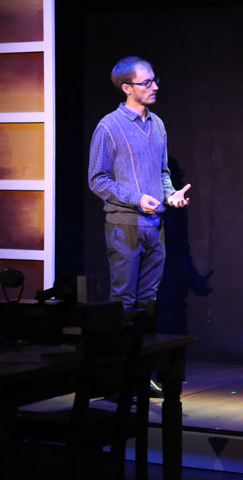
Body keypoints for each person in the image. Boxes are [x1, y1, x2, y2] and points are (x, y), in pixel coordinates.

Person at [89, 56, 191, 395]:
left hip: (155, 225)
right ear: (127, 87)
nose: (155, 86)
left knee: (148, 301)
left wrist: (170, 195)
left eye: (154, 80)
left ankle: (138, 371)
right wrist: (136, 199)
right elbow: (97, 179)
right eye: (147, 82)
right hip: (125, 224)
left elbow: (162, 173)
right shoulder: (109, 127)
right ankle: (116, 377)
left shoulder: (158, 124)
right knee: (123, 302)